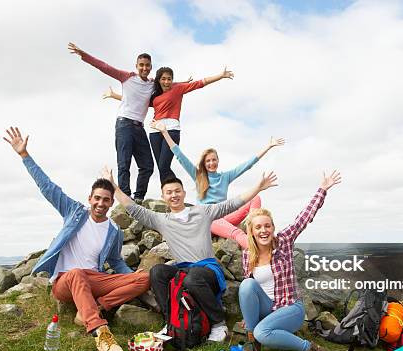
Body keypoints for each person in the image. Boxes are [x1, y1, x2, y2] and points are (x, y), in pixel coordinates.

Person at [2, 127, 150, 351]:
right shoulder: (74, 212)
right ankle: (101, 333)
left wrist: (132, 277)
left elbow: (116, 261)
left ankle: (94, 308)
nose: (101, 203)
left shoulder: (113, 230)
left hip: (93, 280)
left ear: (112, 203)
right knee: (76, 274)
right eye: (97, 198)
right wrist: (24, 156)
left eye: (106, 200)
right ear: (90, 198)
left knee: (144, 279)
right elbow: (48, 187)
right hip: (65, 282)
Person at [102, 166, 278, 342]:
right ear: (164, 197)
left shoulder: (202, 212)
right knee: (157, 272)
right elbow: (134, 209)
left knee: (192, 278)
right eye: (169, 192)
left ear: (184, 193)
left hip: (207, 270)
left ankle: (219, 324)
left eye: (177, 191)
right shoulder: (161, 220)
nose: (174, 195)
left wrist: (258, 187)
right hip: (184, 269)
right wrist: (113, 185)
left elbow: (231, 204)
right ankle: (171, 322)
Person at [238, 170, 342, 351]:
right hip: (267, 308)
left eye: (267, 226)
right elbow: (249, 293)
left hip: (290, 308)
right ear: (251, 232)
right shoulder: (247, 255)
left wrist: (322, 189)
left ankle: (311, 349)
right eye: (258, 227)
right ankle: (253, 340)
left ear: (273, 227)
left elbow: (304, 218)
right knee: (247, 284)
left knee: (262, 331)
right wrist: (248, 317)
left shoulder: (284, 241)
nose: (263, 230)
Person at [149, 120, 284, 249]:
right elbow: (179, 155)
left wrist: (268, 146)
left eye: (214, 160)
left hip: (225, 215)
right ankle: (258, 247)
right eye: (208, 161)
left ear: (218, 161)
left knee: (256, 198)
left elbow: (248, 164)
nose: (211, 163)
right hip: (208, 219)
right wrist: (165, 132)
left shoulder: (225, 177)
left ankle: (255, 229)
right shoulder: (198, 176)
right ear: (204, 163)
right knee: (236, 233)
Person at [104, 66, 234, 182]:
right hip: (155, 132)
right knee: (161, 168)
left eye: (169, 79)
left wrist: (220, 76)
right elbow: (135, 102)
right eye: (163, 79)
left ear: (172, 80)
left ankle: (176, 190)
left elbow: (201, 83)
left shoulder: (178, 88)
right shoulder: (154, 95)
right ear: (159, 80)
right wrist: (114, 95)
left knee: (164, 165)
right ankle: (167, 194)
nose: (166, 82)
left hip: (172, 130)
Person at [68, 42, 155, 202]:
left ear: (151, 67)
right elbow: (105, 67)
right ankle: (125, 198)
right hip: (124, 125)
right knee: (124, 163)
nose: (144, 68)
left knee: (147, 165)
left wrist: (186, 84)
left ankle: (138, 199)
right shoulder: (127, 77)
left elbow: (169, 86)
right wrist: (84, 55)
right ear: (136, 66)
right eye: (141, 65)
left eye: (147, 66)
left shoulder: (152, 84)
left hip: (139, 127)